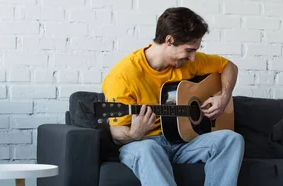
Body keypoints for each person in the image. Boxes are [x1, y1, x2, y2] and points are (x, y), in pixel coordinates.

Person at [101, 7, 244, 186]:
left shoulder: (188, 62)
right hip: (143, 143)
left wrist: (223, 97)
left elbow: (229, 66)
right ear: (169, 40)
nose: (193, 58)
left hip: (182, 142)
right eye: (189, 50)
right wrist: (134, 133)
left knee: (231, 139)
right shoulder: (122, 76)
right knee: (149, 149)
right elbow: (116, 134)